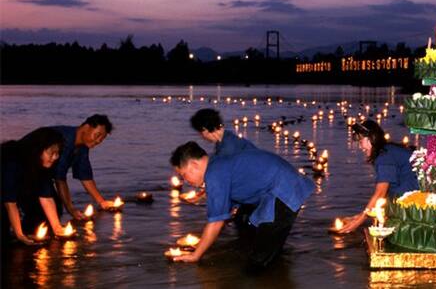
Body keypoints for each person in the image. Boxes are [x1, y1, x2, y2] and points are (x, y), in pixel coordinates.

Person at [169, 141, 314, 271]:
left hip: (284, 192)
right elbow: (237, 187)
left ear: (194, 165)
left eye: (184, 175)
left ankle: (265, 273)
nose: (185, 180)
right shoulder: (217, 164)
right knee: (251, 229)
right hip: (281, 187)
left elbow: (216, 222)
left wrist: (196, 254)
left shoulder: (214, 174)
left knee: (258, 261)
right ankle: (276, 265)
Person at [335, 119, 419, 234]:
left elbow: (380, 193)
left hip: (413, 203)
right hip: (408, 198)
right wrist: (360, 215)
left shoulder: (384, 156)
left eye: (360, 141)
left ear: (371, 138)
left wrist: (358, 221)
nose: (360, 147)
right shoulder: (387, 151)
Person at [1, 127, 70, 245]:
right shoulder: (13, 161)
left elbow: (46, 197)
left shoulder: (42, 165)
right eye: (51, 153)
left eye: (57, 153)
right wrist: (20, 235)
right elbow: (10, 202)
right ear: (38, 150)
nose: (55, 157)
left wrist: (57, 227)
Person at [188, 108, 257, 208]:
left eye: (200, 132)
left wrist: (202, 196)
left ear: (205, 130)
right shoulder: (226, 139)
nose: (202, 136)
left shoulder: (228, 146)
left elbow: (224, 179)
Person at [51, 114, 116, 220]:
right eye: (97, 135)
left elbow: (85, 175)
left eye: (102, 139)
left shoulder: (83, 146)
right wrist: (70, 208)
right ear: (86, 127)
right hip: (23, 169)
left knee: (56, 208)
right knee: (46, 212)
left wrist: (102, 202)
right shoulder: (64, 139)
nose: (99, 141)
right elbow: (59, 178)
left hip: (41, 176)